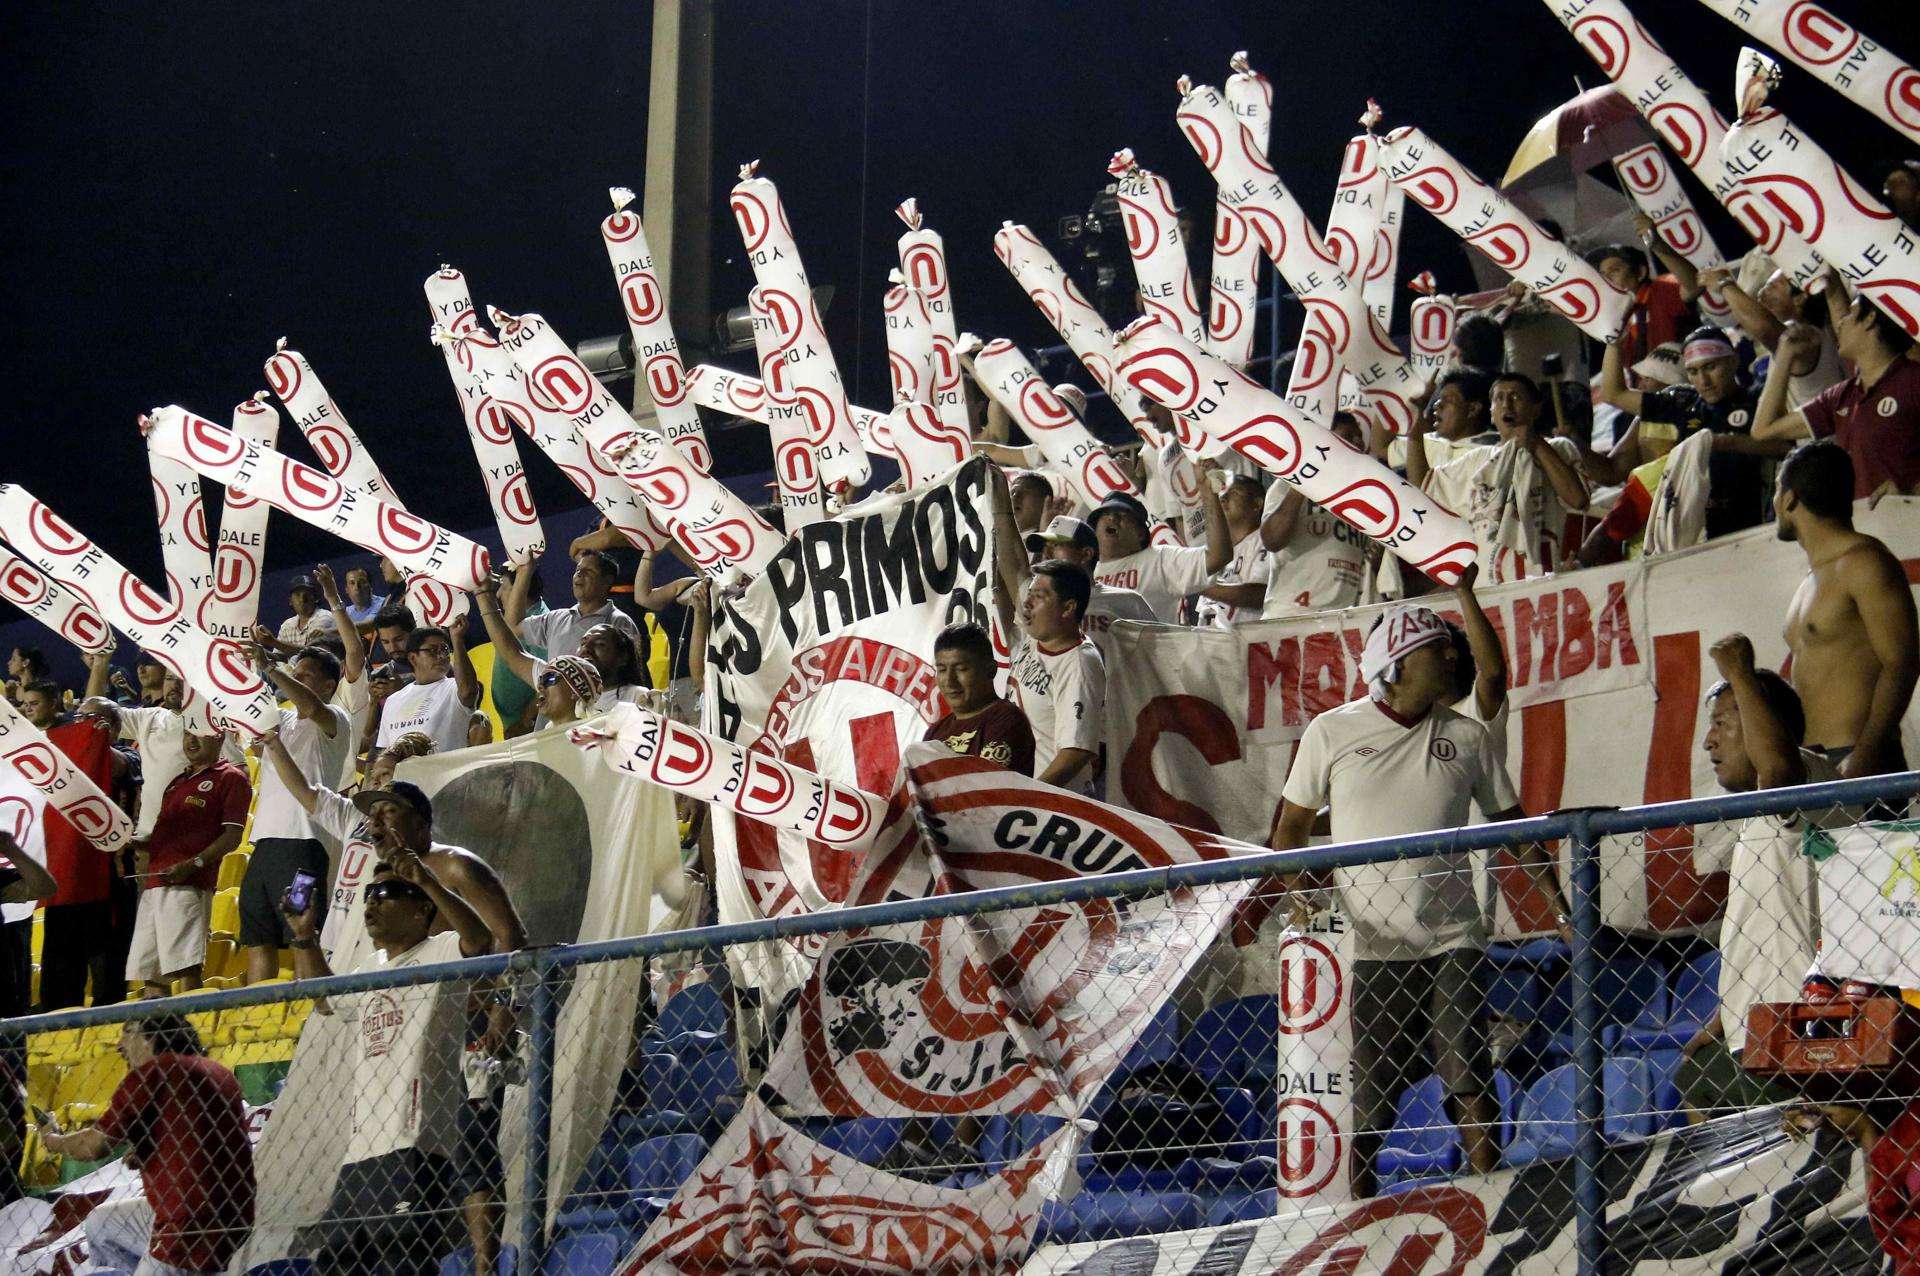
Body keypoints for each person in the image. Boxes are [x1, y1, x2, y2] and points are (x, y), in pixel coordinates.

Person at [1268, 604, 1568, 1197]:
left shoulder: (1468, 735)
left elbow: (1514, 827)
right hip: (1374, 941)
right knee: (1373, 1094)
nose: (1451, 657)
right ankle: (1355, 1209)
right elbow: (1290, 830)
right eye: (1439, 650)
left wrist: (1560, 910)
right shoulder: (1332, 730)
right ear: (1398, 663)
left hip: (1455, 934)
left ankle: (1488, 1196)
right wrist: (1303, 895)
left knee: (1468, 1074)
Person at [289, 789, 522, 1276]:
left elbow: (498, 941)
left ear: (421, 823)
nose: (376, 822)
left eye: (389, 812)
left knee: (473, 1149)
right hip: (371, 1138)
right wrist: (304, 937)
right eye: (372, 814)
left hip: (468, 1026)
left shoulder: (451, 871)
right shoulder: (372, 961)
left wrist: (503, 1007)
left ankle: (486, 1266)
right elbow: (325, 997)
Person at [1678, 634, 1836, 1117]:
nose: (1708, 741)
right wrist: (1726, 1013)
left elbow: (1782, 770)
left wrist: (1740, 673)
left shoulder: (1803, 779)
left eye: (1724, 723)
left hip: (1797, 1026)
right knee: (1694, 1077)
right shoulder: (1757, 812)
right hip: (1753, 1028)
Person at [45, 1015, 255, 1275]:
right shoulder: (217, 1070)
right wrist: (152, 1150)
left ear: (152, 1038)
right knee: (102, 1222)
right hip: (236, 1215)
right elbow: (200, 1138)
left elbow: (93, 1146)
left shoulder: (153, 1072)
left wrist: (51, 1139)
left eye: (128, 1032)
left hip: (187, 1226)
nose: (120, 1045)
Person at [1773, 441, 1918, 777]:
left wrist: (1866, 753)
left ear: (1790, 497)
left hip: (1859, 759)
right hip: (1815, 763)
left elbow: (1902, 662)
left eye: (1777, 492)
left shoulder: (1864, 562)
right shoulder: (1813, 576)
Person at [1590, 327, 1787, 536]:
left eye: (1710, 367)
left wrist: (1725, 442)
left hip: (1754, 529)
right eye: (1693, 371)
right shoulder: (1683, 402)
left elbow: (1785, 447)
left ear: (1734, 360)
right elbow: (1614, 394)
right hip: (1696, 534)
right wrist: (1614, 342)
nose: (1704, 381)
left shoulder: (1758, 399)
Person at [1408, 372, 1590, 582]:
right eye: (1499, 399)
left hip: (1542, 584)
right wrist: (1415, 421)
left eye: (1515, 397)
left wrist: (1537, 445)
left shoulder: (1558, 448)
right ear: (1492, 413)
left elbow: (1578, 499)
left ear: (1535, 409)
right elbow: (1420, 486)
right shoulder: (1476, 460)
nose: (1506, 405)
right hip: (1488, 589)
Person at [240, 643, 351, 984]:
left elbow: (311, 706)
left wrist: (273, 669)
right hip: (264, 846)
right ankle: (257, 1021)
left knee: (302, 936)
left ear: (329, 685)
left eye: (306, 675)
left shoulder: (336, 718)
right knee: (258, 938)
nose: (296, 678)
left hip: (303, 846)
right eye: (295, 673)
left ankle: (310, 1015)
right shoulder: (281, 720)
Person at [1755, 273, 1920, 499]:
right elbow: (1763, 430)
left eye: (1850, 314)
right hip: (1865, 530)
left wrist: (1911, 488)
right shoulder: (1842, 396)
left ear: (1870, 318)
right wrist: (1784, 353)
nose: (1840, 322)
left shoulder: (1913, 381)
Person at [22, 679, 127, 1009]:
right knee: (59, 975)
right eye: (79, 718)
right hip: (63, 877)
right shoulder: (60, 758)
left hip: (107, 882)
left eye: (91, 719)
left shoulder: (126, 759)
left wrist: (92, 736)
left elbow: (116, 767)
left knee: (106, 971)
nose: (82, 725)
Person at [127, 729, 246, 996]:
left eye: (199, 734)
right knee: (151, 976)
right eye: (186, 735)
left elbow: (233, 836)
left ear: (219, 737)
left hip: (188, 884)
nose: (191, 741)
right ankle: (155, 1036)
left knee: (186, 968)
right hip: (154, 884)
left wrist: (195, 864)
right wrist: (137, 843)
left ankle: (193, 1030)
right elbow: (162, 838)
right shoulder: (177, 782)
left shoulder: (231, 778)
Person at [996, 558, 1105, 793]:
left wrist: (1031, 795)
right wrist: (1000, 519)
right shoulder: (1036, 635)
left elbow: (1076, 752)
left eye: (1039, 596)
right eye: (1030, 593)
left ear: (1068, 608)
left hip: (1057, 805)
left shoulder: (1079, 664)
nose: (1027, 601)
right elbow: (1013, 568)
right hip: (1025, 793)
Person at [471, 576, 650, 719]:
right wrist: (483, 596)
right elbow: (511, 654)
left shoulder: (639, 698)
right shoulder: (561, 684)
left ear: (622, 657)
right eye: (583, 643)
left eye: (600, 644)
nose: (586, 649)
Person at [1262, 413, 1368, 619]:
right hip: (1291, 615)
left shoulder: (1364, 493)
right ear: (1323, 440)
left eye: (1359, 436)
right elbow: (1272, 540)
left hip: (1343, 618)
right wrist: (1304, 481)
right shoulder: (1286, 484)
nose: (1357, 442)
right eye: (1347, 436)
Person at [1087, 482, 1229, 624]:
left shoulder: (1159, 559)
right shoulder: (1086, 572)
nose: (1112, 518)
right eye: (1105, 514)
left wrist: (1208, 489)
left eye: (1122, 515)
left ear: (1140, 534)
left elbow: (1218, 556)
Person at [1022, 515, 1155, 650]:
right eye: (1044, 548)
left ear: (1086, 554)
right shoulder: (1035, 603)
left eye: (1056, 546)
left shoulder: (1127, 601)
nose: (1046, 555)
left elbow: (1160, 653)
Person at [499, 548, 644, 671]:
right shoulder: (555, 618)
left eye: (588, 571)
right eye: (578, 570)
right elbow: (512, 627)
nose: (579, 574)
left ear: (607, 581)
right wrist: (524, 573)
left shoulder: (620, 622)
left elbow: (630, 671)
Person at [923, 622, 1035, 775]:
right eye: (942, 670)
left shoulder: (1006, 720)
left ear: (991, 670)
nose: (949, 681)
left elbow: (985, 789)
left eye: (961, 669)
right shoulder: (933, 733)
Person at [1589, 240, 1693, 378]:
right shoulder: (1615, 313)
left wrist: (1656, 243)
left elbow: (1692, 289)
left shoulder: (1663, 289)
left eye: (1615, 270)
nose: (1606, 279)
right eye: (1602, 274)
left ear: (1640, 272)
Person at [375, 624, 480, 757]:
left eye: (445, 650)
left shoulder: (454, 688)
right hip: (403, 777)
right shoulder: (392, 700)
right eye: (432, 650)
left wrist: (457, 639)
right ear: (413, 658)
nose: (441, 656)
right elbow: (385, 752)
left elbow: (468, 692)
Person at [1196, 474, 1268, 626]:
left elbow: (1259, 595)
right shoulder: (1213, 551)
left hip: (1244, 645)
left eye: (1234, 492)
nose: (1223, 498)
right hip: (1207, 643)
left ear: (1257, 504)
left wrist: (1198, 586)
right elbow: (1205, 609)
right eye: (1222, 492)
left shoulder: (1265, 540)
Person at [268, 575, 338, 651]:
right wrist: (263, 653)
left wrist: (273, 642)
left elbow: (312, 653)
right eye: (298, 595)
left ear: (316, 598)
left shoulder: (324, 617)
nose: (302, 599)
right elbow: (279, 656)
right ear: (290, 601)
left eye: (307, 594)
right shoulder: (286, 625)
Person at [534, 655, 603, 728]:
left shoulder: (598, 732)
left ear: (574, 692)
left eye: (549, 679)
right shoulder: (545, 735)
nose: (539, 686)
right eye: (540, 680)